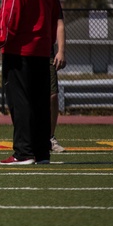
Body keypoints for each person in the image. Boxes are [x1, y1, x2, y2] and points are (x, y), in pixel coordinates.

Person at [0, 0, 62, 165]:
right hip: (43, 50)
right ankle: (42, 153)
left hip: (19, 50)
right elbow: (54, 16)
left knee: (19, 101)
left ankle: (23, 152)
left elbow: (10, 14)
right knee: (40, 102)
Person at [49, 15, 67, 153]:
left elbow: (59, 23)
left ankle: (50, 137)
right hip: (28, 51)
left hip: (46, 51)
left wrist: (61, 51)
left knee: (53, 96)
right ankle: (29, 138)